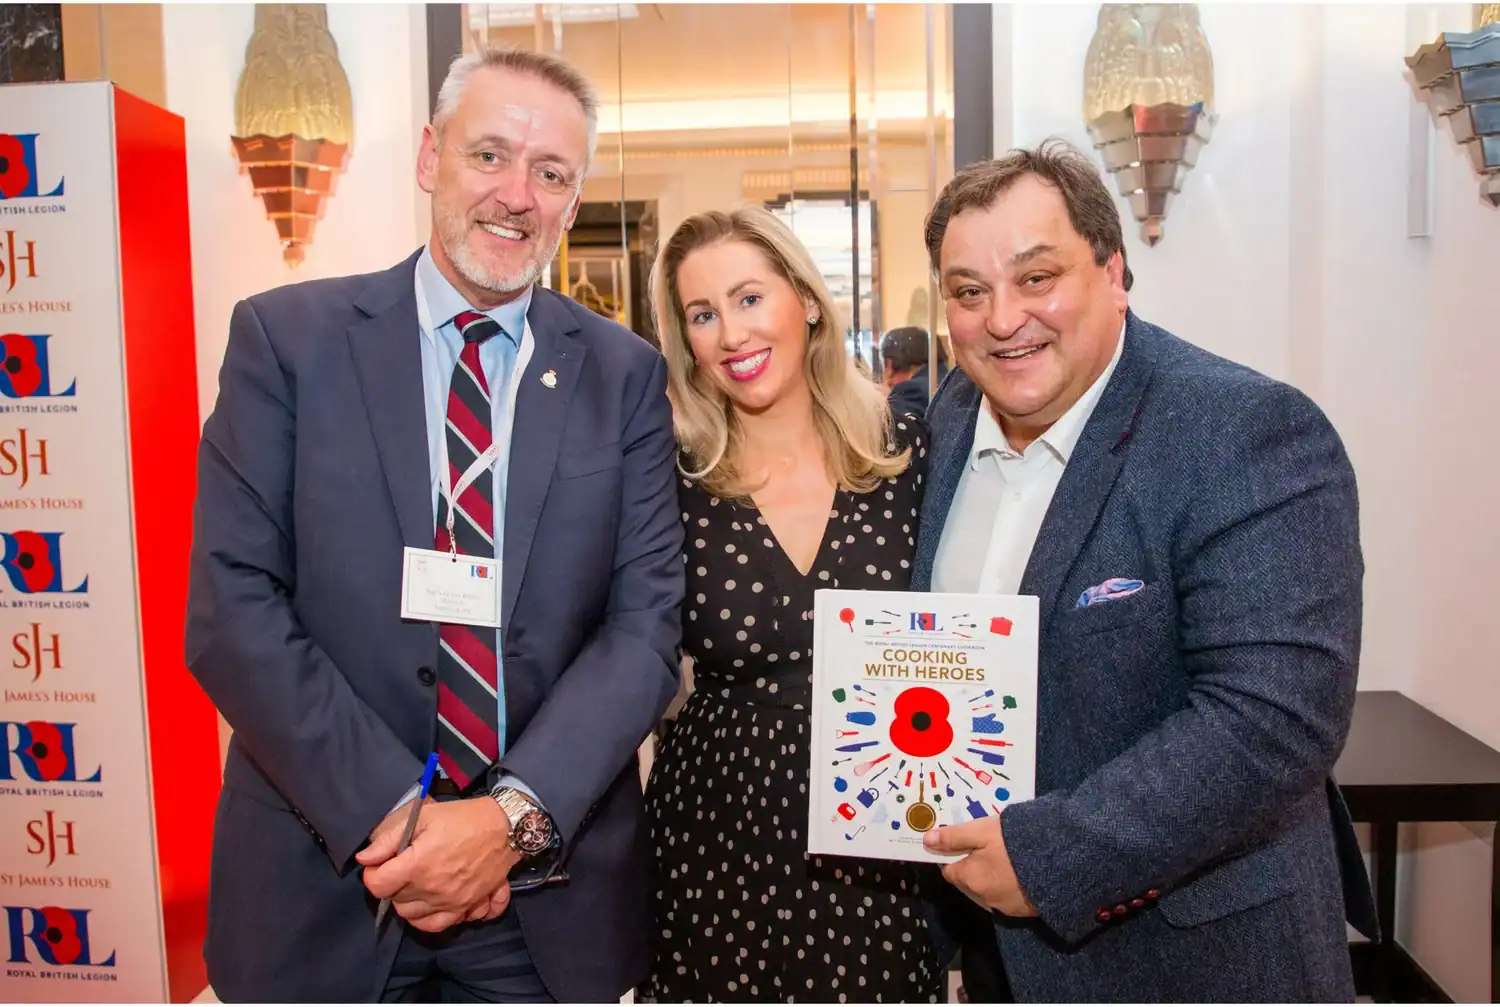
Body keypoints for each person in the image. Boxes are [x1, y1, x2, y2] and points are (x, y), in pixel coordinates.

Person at [185, 45, 684, 1002]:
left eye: (550, 174)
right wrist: (402, 819)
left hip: (541, 900)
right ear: (428, 158)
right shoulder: (286, 344)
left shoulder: (623, 378)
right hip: (325, 877)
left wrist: (502, 824)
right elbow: (232, 608)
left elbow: (644, 630)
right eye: (488, 155)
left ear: (573, 203)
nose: (516, 195)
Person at [912, 140, 1377, 1002]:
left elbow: (1271, 718)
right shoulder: (945, 426)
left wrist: (1053, 857)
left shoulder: (1245, 431)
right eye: (970, 292)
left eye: (1036, 276)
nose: (1003, 318)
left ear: (1114, 271)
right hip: (996, 958)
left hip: (1193, 958)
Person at [637, 205, 942, 1003]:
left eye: (748, 298)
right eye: (703, 314)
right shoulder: (674, 481)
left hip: (880, 840)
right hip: (719, 835)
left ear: (805, 299)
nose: (731, 334)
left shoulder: (909, 455)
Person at [880, 325, 934, 418]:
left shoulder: (909, 391)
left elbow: (892, 429)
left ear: (889, 364)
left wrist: (884, 400)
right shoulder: (947, 379)